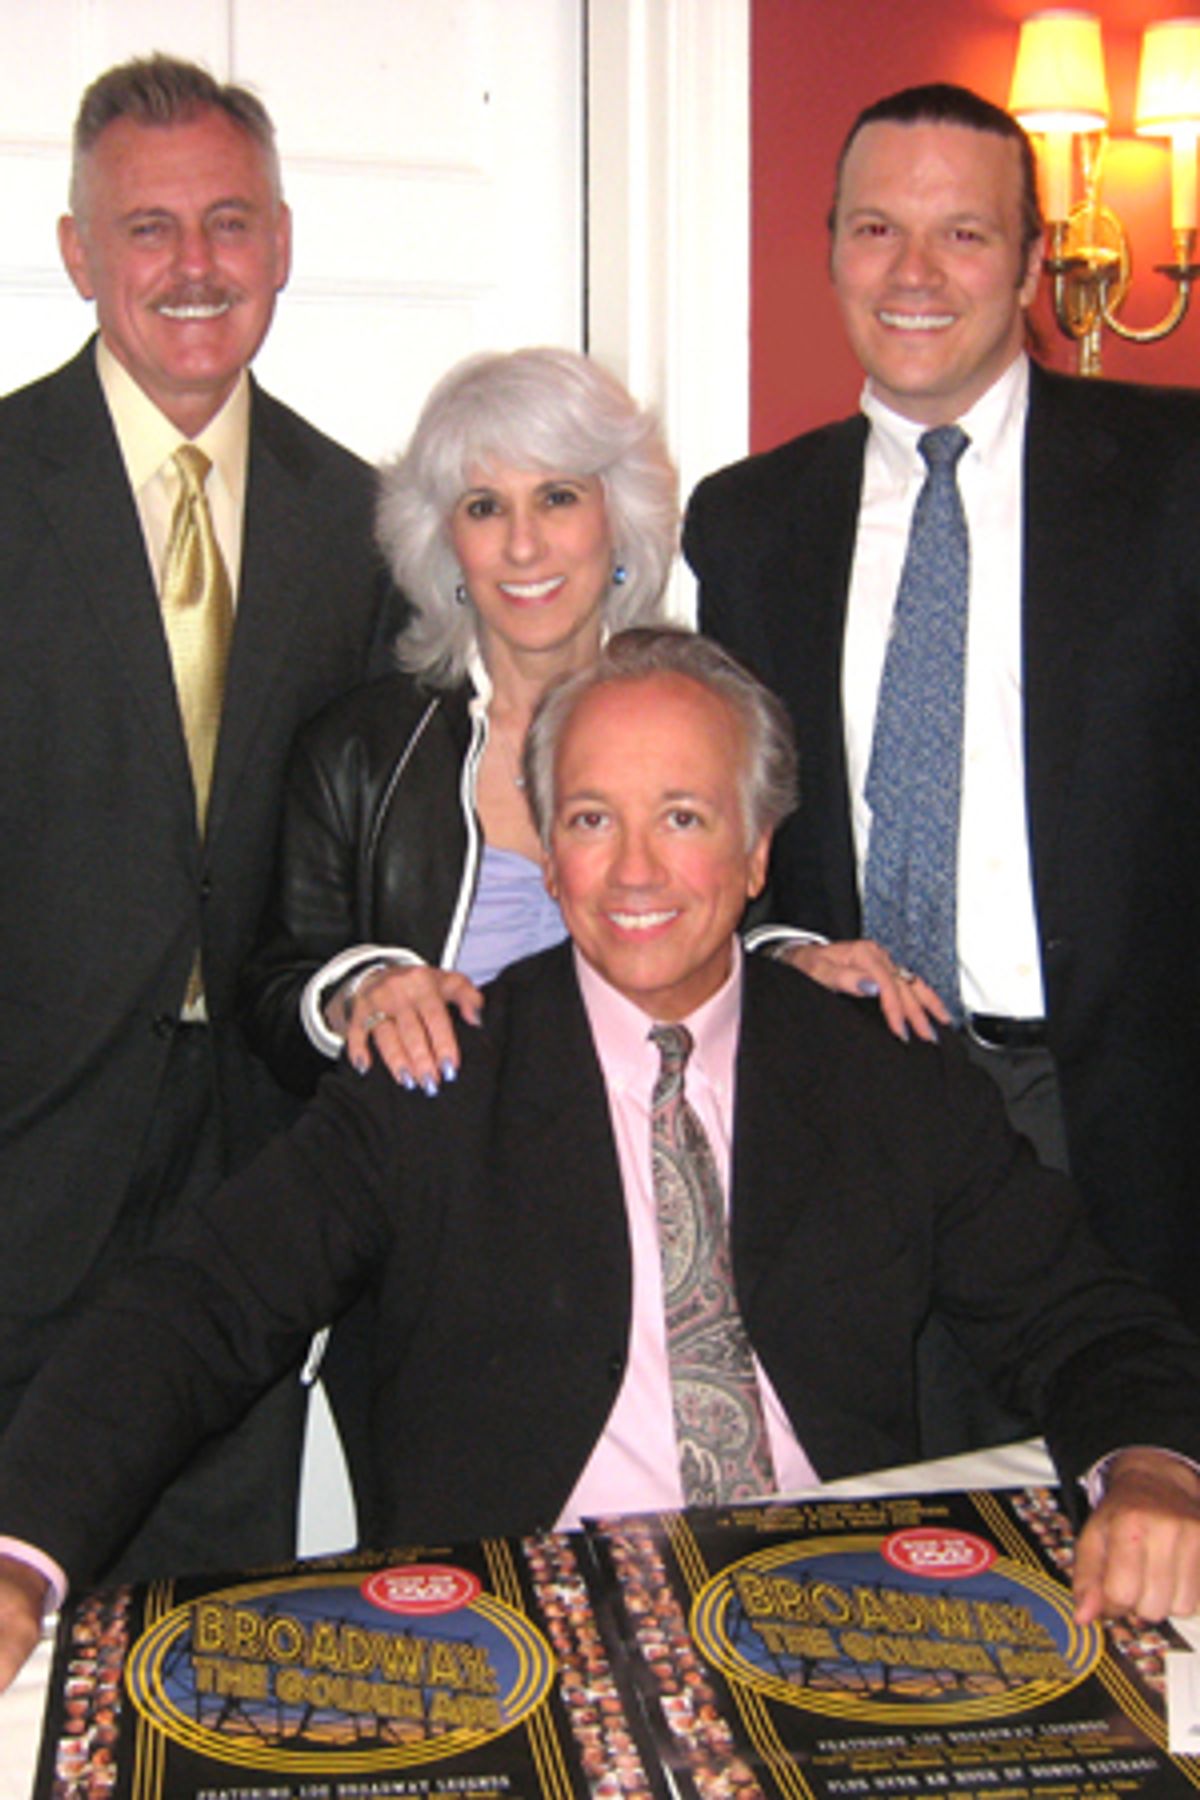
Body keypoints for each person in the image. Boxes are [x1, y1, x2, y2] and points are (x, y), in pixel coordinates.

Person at [0, 628, 1198, 1697]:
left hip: (846, 1621)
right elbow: (201, 1306)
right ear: (549, 852)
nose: (632, 873)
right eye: (589, 819)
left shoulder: (884, 1074)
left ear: (756, 850)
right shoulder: (438, 1076)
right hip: (526, 1644)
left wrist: (1153, 1469)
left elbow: (1084, 1316)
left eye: (681, 816)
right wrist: (18, 1551)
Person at [683, 84, 1200, 1352]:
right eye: (875, 231)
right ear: (832, 251)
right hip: (859, 1111)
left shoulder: (1177, 477)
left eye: (962, 234)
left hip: (1131, 1124)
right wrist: (779, 950)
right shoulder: (747, 523)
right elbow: (732, 827)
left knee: (1136, 1498)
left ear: (1031, 260)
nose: (913, 272)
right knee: (896, 1514)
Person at [0, 55, 400, 1580]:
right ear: (78, 251)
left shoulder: (356, 522)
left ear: (282, 244)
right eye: (148, 226)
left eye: (228, 222)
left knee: (215, 1591)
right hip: (21, 1141)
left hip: (250, 1149)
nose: (193, 266)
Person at [241, 345, 678, 1099]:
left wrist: (803, 959)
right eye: (484, 508)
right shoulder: (357, 751)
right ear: (446, 544)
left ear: (619, 518)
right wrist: (362, 991)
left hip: (658, 1185)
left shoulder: (700, 719)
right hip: (430, 1194)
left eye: (558, 497)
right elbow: (279, 995)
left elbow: (753, 929)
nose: (522, 544)